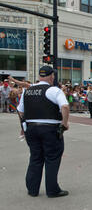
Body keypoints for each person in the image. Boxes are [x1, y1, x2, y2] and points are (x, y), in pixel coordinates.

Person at [17, 66, 70, 198]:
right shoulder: (53, 90)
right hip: (50, 128)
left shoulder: (27, 91)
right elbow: (65, 106)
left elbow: (20, 110)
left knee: (35, 157)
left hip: (31, 127)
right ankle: (52, 190)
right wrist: (64, 124)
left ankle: (32, 189)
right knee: (52, 158)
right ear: (51, 76)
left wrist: (23, 126)